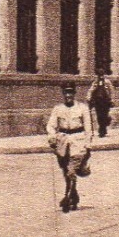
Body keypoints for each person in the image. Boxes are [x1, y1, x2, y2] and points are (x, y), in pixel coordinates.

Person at [45, 82, 95, 212]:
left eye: (71, 93)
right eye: (66, 93)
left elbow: (88, 127)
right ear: (63, 94)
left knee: (71, 171)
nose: (68, 96)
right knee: (66, 172)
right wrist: (52, 136)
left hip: (78, 142)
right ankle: (75, 195)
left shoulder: (82, 108)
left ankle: (66, 198)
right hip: (62, 143)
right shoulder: (58, 109)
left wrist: (88, 144)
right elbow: (51, 125)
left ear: (74, 93)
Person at [87, 74, 115, 139]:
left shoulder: (107, 82)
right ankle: (102, 130)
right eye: (99, 75)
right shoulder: (95, 82)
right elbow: (91, 90)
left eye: (102, 75)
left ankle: (103, 130)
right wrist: (88, 97)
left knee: (105, 115)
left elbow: (111, 91)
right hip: (98, 102)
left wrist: (112, 100)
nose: (101, 76)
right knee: (99, 116)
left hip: (106, 101)